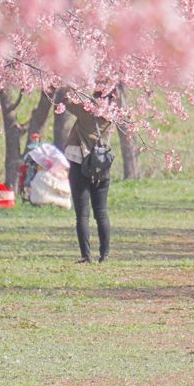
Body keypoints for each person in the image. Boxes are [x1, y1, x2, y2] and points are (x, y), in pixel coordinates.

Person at [65, 86, 113, 264]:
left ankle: (86, 255)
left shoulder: (88, 113)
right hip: (102, 166)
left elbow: (66, 102)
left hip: (81, 164)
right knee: (101, 213)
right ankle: (105, 254)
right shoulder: (112, 116)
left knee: (82, 215)